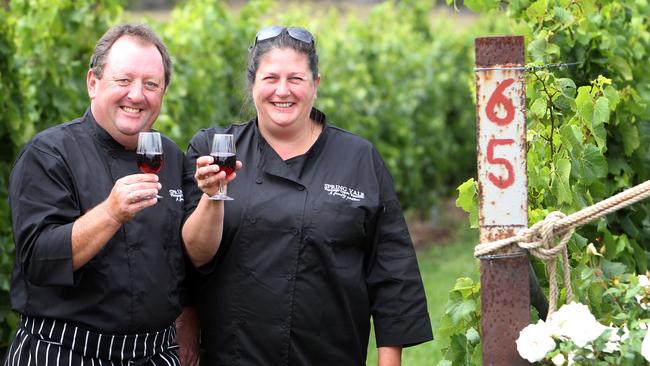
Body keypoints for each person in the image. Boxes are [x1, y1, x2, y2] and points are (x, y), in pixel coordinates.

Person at [185, 26, 432, 365]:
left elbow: (392, 274)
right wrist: (212, 196)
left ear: (316, 85)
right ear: (253, 84)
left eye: (296, 79)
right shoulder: (213, 150)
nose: (282, 91)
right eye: (270, 78)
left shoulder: (358, 158)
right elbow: (194, 256)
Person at [3, 23, 233, 366]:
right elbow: (39, 260)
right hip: (64, 351)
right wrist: (110, 213)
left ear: (163, 93)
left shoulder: (171, 157)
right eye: (123, 81)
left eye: (151, 84)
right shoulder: (49, 154)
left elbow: (188, 258)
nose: (137, 95)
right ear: (93, 83)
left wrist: (213, 197)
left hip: (154, 353)